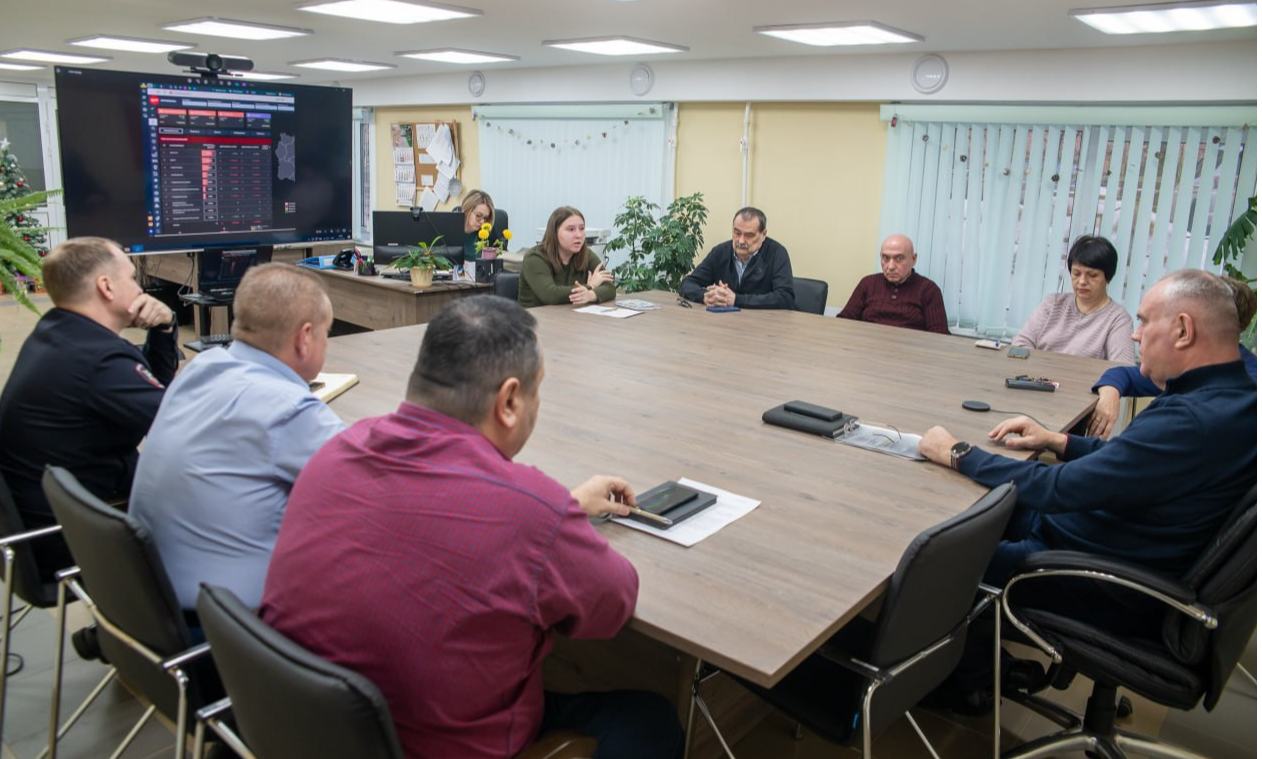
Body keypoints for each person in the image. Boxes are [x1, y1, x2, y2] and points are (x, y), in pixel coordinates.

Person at [261, 296, 683, 759]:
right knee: (650, 721)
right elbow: (614, 604)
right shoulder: (530, 512)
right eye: (537, 391)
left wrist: (560, 511)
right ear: (508, 401)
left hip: (303, 732)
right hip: (436, 745)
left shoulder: (336, 451)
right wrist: (555, 517)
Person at [919, 269, 1255, 623]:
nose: (1136, 335)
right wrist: (1057, 440)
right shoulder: (1232, 400)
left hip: (1087, 570)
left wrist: (957, 453)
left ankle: (974, 670)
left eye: (1143, 322)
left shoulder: (1192, 421)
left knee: (934, 563)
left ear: (1183, 330)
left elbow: (1057, 488)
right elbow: (1132, 461)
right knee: (963, 514)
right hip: (1095, 535)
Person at [130, 264, 344, 612]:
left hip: (148, 602)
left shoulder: (200, 368)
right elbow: (375, 493)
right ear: (305, 338)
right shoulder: (290, 409)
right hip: (231, 633)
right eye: (326, 333)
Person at [0, 236, 176, 577]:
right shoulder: (98, 360)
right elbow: (180, 425)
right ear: (106, 286)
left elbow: (150, 386)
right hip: (74, 540)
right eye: (132, 278)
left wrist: (164, 328)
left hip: (45, 527)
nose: (140, 289)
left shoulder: (58, 333)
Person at [1087, 274, 1256, 438]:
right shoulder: (1191, 364)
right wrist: (1110, 397)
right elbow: (1124, 374)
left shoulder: (1244, 391)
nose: (1136, 335)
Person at [1010, 235, 1134, 361]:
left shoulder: (1118, 319)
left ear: (1108, 277)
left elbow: (1122, 368)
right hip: (1037, 378)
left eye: (1092, 275)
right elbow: (1020, 343)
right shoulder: (1053, 303)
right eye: (1076, 273)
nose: (1082, 281)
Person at [679, 207, 795, 309]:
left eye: (749, 235)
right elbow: (687, 283)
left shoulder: (777, 253)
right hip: (727, 323)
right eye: (737, 233)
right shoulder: (720, 252)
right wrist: (706, 296)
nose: (741, 241)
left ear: (763, 234)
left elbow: (785, 297)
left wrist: (736, 300)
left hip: (766, 325)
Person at [837, 234, 949, 333]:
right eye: (885, 258)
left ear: (913, 259)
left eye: (899, 259)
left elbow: (940, 335)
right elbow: (845, 320)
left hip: (909, 352)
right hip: (867, 348)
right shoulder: (868, 283)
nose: (890, 267)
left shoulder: (928, 290)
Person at [518, 205, 616, 308]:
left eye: (582, 228)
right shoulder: (534, 257)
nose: (578, 235)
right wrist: (591, 286)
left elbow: (610, 288)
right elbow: (551, 295)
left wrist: (590, 295)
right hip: (535, 319)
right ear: (554, 232)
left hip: (570, 317)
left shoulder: (585, 253)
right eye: (571, 229)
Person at [460, 189, 496, 262]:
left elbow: (501, 256)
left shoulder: (487, 231)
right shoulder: (451, 228)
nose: (482, 221)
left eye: (485, 218)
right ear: (467, 209)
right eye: (478, 215)